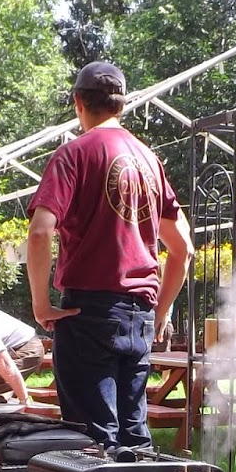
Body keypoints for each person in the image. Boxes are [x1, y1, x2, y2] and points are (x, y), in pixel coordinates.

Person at [27, 60, 193, 447]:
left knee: (92, 442)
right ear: (121, 105)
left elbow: (39, 233)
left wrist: (41, 305)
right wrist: (161, 311)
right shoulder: (150, 161)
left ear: (77, 104)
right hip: (138, 316)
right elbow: (183, 248)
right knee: (134, 437)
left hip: (88, 315)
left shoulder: (73, 155)